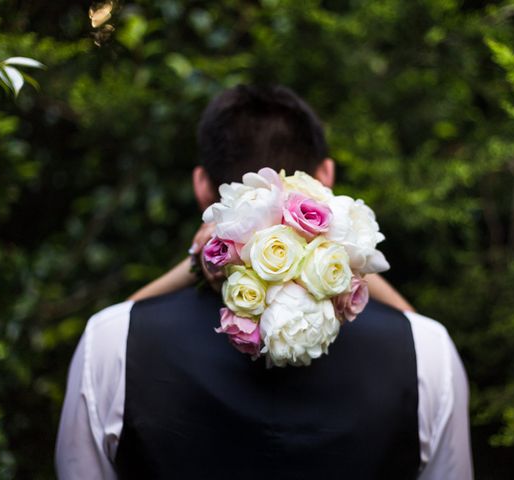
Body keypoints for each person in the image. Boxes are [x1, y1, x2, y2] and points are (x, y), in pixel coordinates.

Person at [55, 85, 473, 479]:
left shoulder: (110, 341)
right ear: (326, 176)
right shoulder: (427, 350)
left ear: (202, 185)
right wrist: (346, 258)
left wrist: (197, 261)